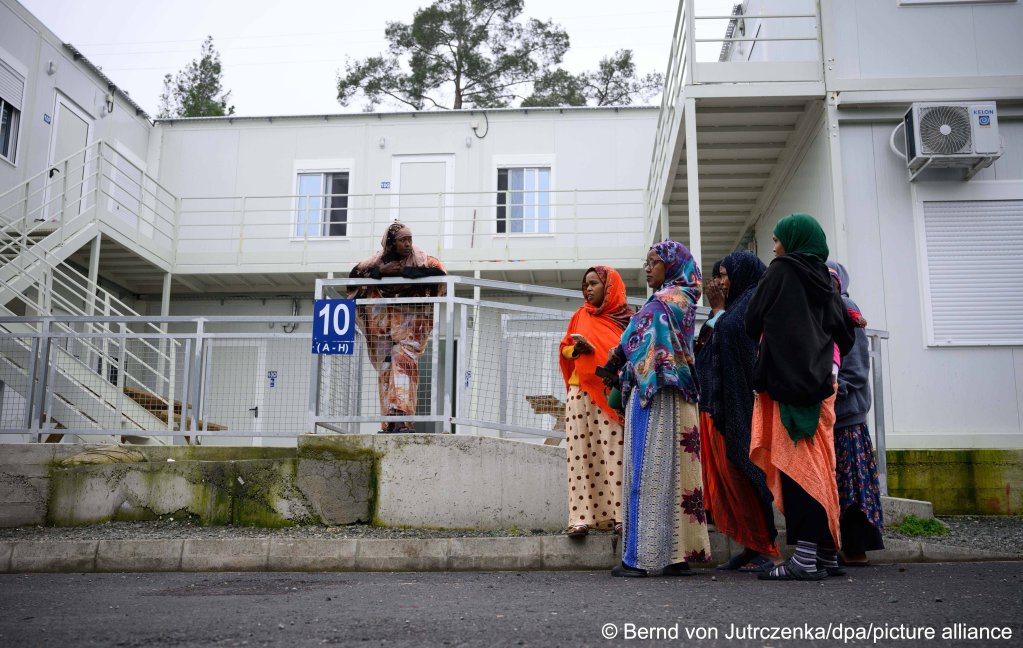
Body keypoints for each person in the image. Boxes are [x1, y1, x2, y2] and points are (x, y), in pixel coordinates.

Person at [745, 213, 855, 581]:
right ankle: (825, 552)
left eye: (777, 239)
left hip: (786, 386)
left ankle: (805, 560)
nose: (774, 246)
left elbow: (752, 319)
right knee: (821, 466)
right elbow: (846, 334)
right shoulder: (824, 277)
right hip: (822, 388)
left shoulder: (780, 271)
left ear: (792, 241)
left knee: (796, 471)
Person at [604, 240, 711, 577]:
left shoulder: (662, 303)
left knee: (647, 472)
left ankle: (639, 558)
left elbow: (630, 341)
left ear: (671, 265)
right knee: (678, 475)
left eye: (653, 262)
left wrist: (615, 360)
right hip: (682, 394)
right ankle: (675, 556)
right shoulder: (686, 299)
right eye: (646, 262)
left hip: (656, 395)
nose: (647, 268)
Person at [697, 251, 779, 573]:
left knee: (747, 472)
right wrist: (719, 313)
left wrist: (718, 313)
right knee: (735, 474)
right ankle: (752, 545)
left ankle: (770, 550)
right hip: (728, 403)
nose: (720, 282)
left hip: (746, 403)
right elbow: (708, 347)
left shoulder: (752, 303)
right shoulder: (735, 307)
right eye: (718, 276)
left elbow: (742, 345)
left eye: (725, 275)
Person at [558, 266, 635, 538]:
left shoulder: (628, 319)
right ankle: (580, 518)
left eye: (594, 284)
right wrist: (576, 349)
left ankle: (621, 516)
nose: (588, 289)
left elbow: (632, 353)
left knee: (615, 453)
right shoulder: (580, 315)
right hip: (580, 393)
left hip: (610, 394)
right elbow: (564, 348)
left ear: (610, 287)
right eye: (585, 285)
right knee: (580, 456)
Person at [349, 222, 447, 433]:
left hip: (410, 328)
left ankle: (402, 419)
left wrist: (408, 272)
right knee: (385, 371)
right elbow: (354, 276)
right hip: (382, 328)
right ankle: (389, 423)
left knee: (403, 366)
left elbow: (440, 274)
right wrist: (380, 272)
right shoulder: (376, 261)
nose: (408, 244)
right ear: (391, 244)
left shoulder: (421, 259)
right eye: (403, 240)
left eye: (410, 239)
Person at [826, 260, 884, 566]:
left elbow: (859, 370)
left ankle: (856, 549)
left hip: (847, 419)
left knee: (852, 486)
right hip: (833, 417)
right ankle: (845, 549)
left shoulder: (846, 308)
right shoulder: (824, 311)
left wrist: (832, 388)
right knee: (842, 485)